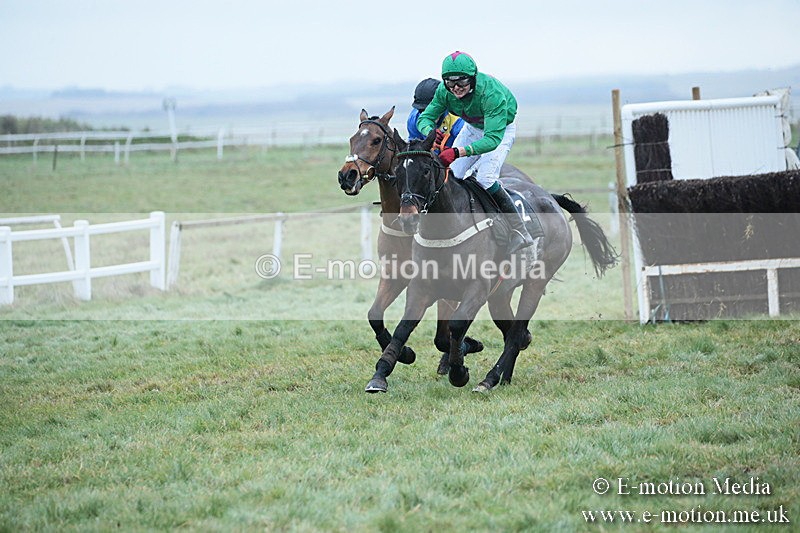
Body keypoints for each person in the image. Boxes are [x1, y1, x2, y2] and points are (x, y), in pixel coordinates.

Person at [416, 51, 542, 258]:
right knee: (453, 175)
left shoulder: (491, 94)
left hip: (499, 130)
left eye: (461, 82)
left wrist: (458, 151)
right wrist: (431, 133)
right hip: (472, 128)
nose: (456, 88)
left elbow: (492, 140)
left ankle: (520, 230)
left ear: (473, 77)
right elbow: (426, 117)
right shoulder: (443, 91)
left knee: (485, 178)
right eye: (450, 83)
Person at [407, 78, 463, 151]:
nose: (427, 115)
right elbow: (413, 147)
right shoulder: (413, 118)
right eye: (422, 110)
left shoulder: (458, 119)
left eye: (432, 110)